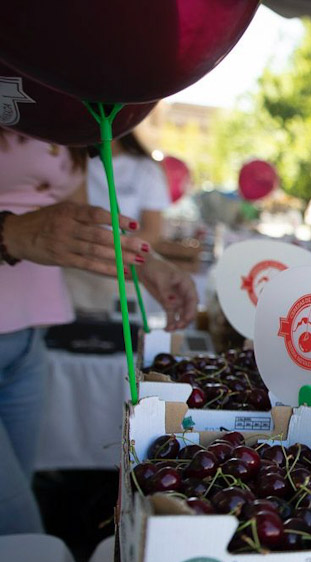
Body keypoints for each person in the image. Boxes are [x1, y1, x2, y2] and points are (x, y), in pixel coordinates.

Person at [0, 132, 197, 534]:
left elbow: (85, 226)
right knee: (20, 529)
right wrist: (13, 233)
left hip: (30, 338)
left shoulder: (61, 111)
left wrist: (146, 264)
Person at [65, 132, 173, 314]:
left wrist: (103, 250)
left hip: (122, 273)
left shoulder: (146, 168)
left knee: (121, 335)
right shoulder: (72, 163)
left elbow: (153, 231)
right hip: (76, 275)